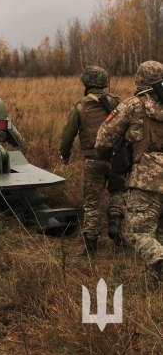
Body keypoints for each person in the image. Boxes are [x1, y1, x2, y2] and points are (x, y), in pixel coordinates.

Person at [95, 61, 163, 287]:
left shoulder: (133, 105)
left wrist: (108, 155)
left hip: (145, 179)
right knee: (159, 235)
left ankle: (160, 260)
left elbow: (104, 139)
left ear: (139, 79)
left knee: (139, 231)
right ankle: (154, 288)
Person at [60, 65, 124, 255]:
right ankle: (115, 224)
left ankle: (90, 248)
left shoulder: (80, 106)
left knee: (92, 203)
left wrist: (65, 155)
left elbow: (66, 136)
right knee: (117, 192)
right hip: (116, 160)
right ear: (104, 82)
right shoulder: (117, 102)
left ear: (86, 83)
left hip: (93, 161)